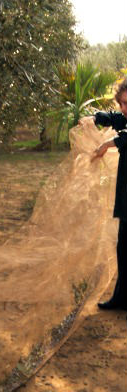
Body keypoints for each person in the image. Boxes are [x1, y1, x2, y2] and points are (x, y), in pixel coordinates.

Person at [81, 77, 127, 310]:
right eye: (122, 103)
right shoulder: (124, 117)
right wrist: (94, 118)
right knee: (123, 247)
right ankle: (121, 298)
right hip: (126, 197)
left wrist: (109, 143)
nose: (124, 108)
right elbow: (114, 117)